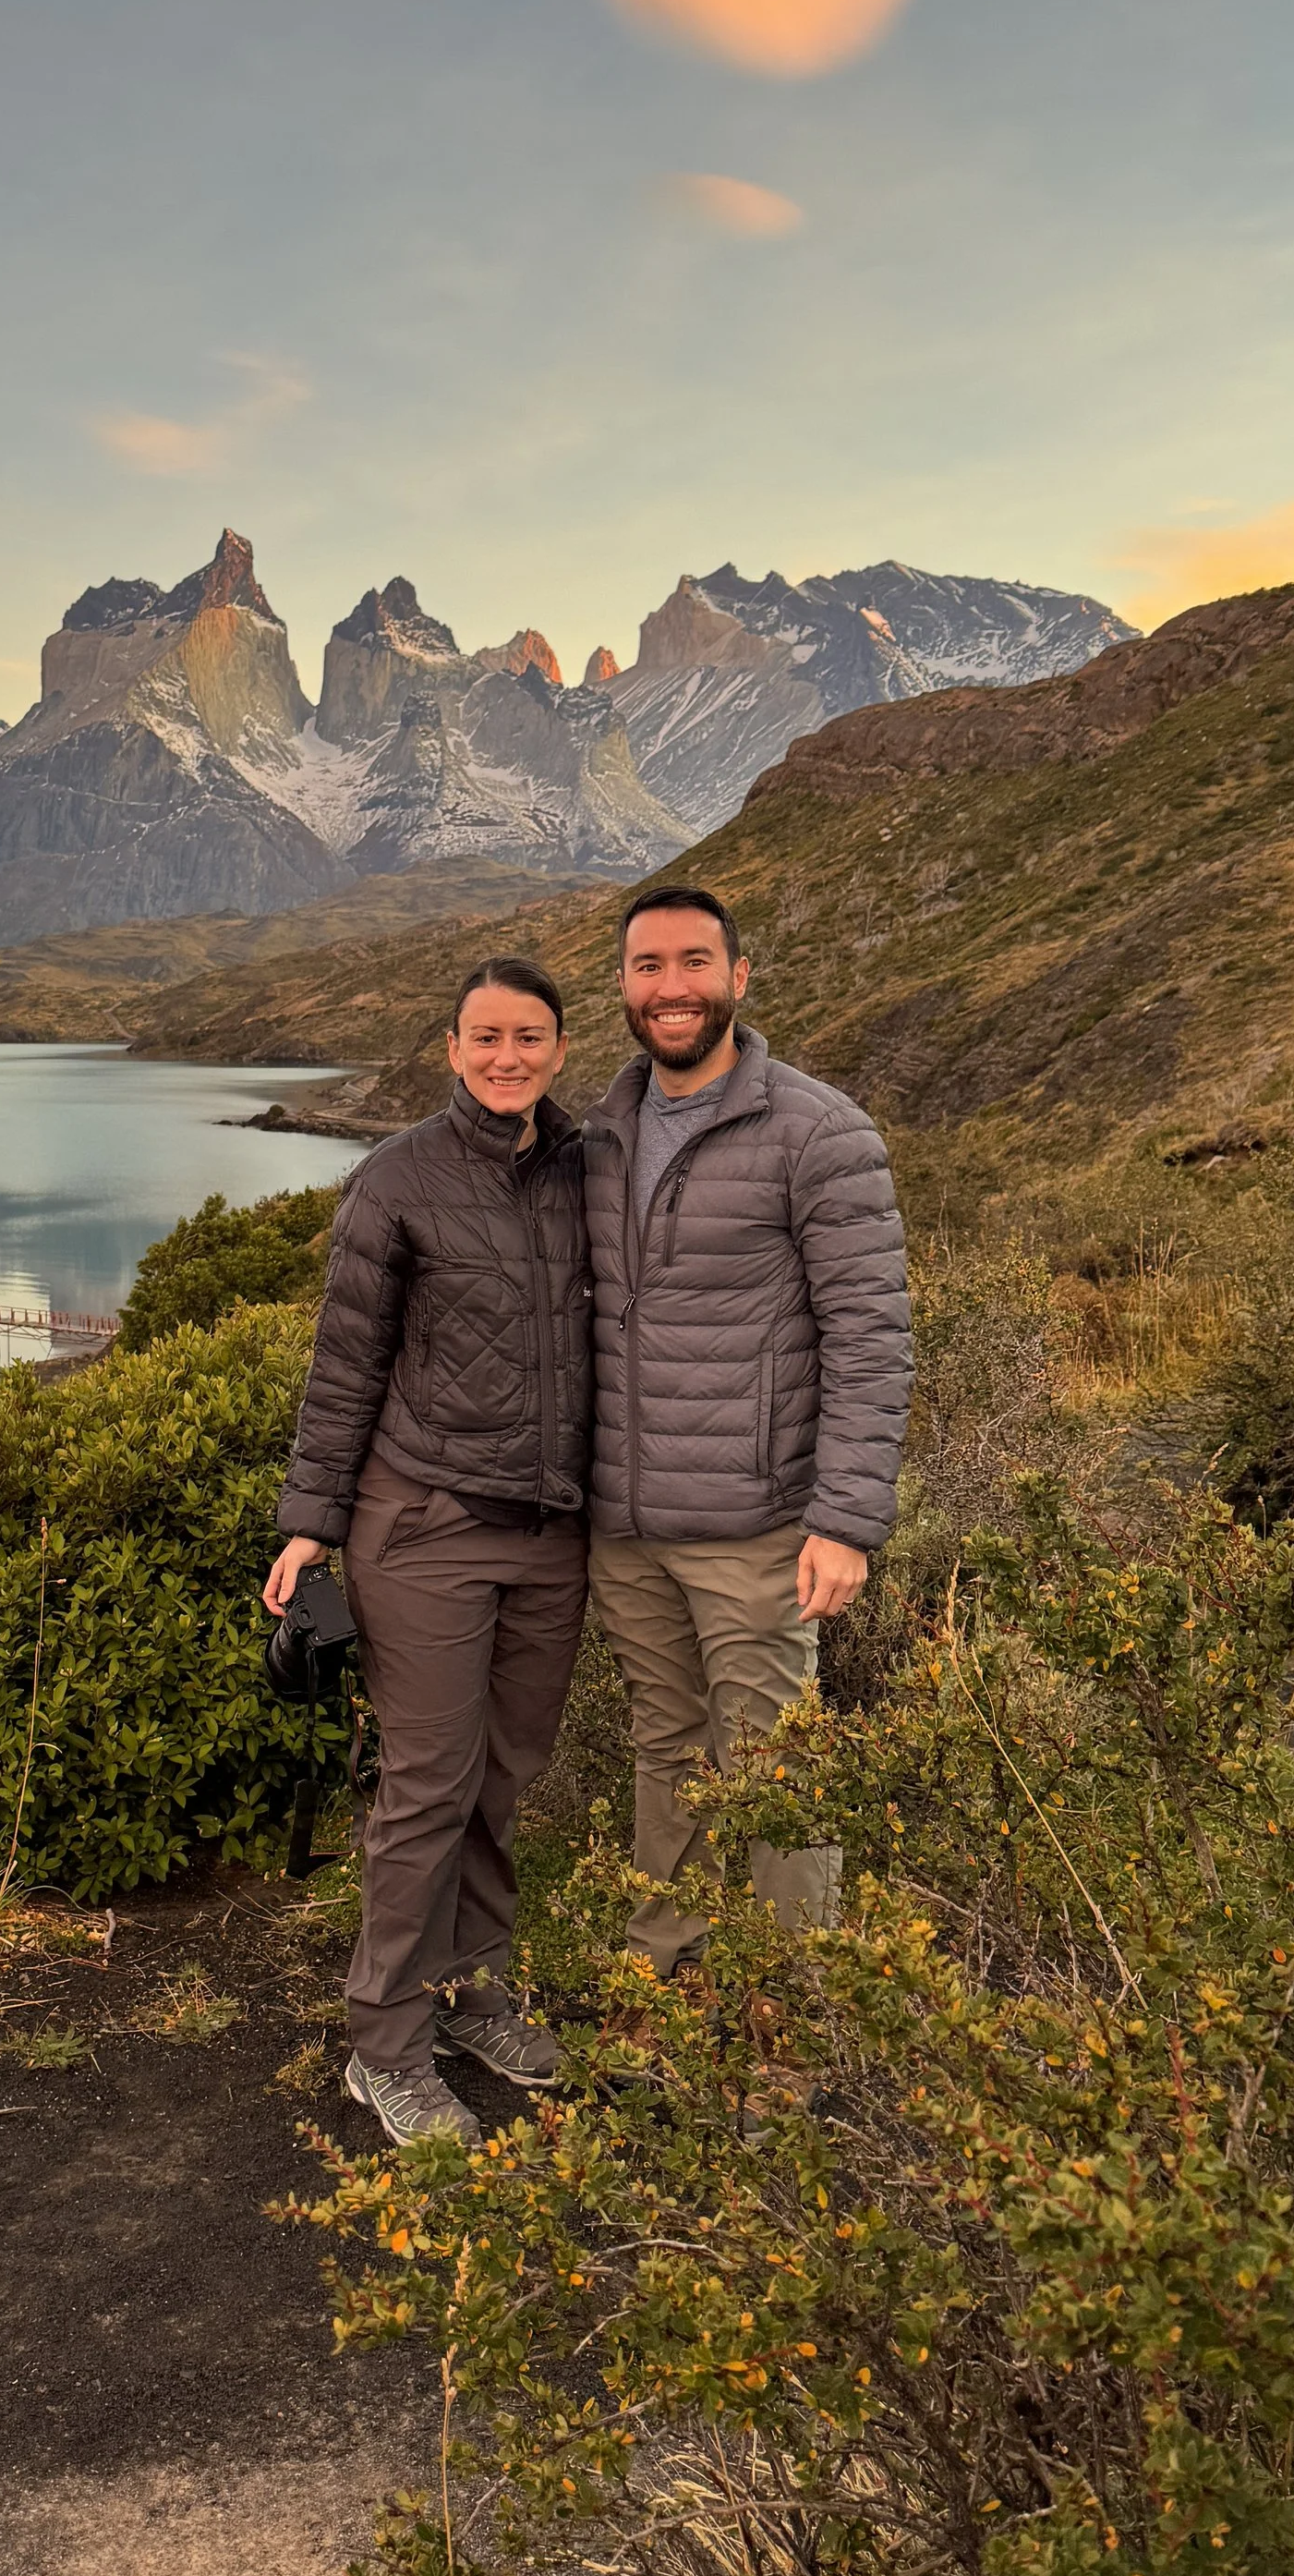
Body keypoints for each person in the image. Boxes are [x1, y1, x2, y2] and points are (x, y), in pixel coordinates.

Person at [264, 955, 592, 2146]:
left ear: (560, 1048)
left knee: (504, 1774)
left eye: (530, 1037)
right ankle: (385, 2046)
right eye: (485, 1037)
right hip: (425, 1527)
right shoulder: (394, 1178)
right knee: (426, 1787)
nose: (507, 1057)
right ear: (450, 1049)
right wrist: (312, 1520)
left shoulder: (589, 1170)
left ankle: (468, 1992)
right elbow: (344, 1363)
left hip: (552, 1533)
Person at [583, 884, 911, 1975]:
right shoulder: (599, 1134)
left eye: (690, 963)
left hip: (756, 1528)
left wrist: (848, 1521)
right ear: (622, 985)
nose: (669, 988)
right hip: (624, 1525)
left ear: (736, 978)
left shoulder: (818, 1131)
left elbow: (868, 1337)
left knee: (774, 1763)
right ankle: (660, 1976)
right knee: (663, 1750)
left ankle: (792, 2011)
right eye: (645, 967)